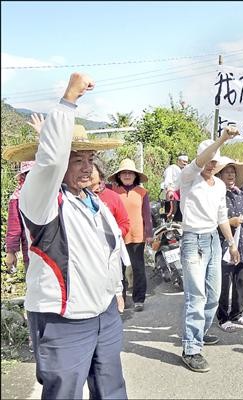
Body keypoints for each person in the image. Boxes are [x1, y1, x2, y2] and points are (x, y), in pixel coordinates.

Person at [1, 72, 128, 398]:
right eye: (76, 160)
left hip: (105, 316)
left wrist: (115, 291)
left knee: (112, 390)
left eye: (89, 159)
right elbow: (50, 162)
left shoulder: (94, 202)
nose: (87, 167)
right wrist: (68, 99)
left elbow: (108, 252)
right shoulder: (42, 200)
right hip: (65, 321)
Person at [178, 128, 240, 373]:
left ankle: (198, 334)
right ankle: (191, 348)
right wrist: (223, 139)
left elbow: (221, 216)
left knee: (213, 295)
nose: (211, 164)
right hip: (193, 240)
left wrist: (232, 243)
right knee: (197, 296)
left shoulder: (219, 186)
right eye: (208, 159)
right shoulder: (188, 177)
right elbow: (200, 161)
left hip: (213, 239)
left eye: (216, 161)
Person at [215, 158, 243, 332]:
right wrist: (229, 222)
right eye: (227, 172)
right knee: (224, 283)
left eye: (233, 172)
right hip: (224, 246)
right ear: (219, 175)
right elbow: (212, 220)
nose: (231, 175)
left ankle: (237, 314)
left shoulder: (241, 193)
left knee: (242, 280)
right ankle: (223, 317)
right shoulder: (216, 194)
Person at [108, 159, 153, 312]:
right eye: (124, 173)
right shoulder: (113, 192)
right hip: (119, 235)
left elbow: (147, 215)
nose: (127, 175)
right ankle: (121, 300)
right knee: (118, 269)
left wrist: (149, 234)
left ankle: (139, 299)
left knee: (138, 267)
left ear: (135, 176)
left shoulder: (142, 192)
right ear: (119, 176)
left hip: (137, 235)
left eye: (130, 173)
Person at [90, 162, 132, 308]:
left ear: (100, 176)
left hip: (110, 250)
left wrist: (114, 233)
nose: (87, 173)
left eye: (92, 170)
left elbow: (125, 223)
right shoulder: (75, 198)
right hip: (89, 254)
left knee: (116, 281)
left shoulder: (112, 197)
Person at [4, 161, 35, 273]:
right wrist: (11, 252)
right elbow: (14, 228)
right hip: (31, 254)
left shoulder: (52, 195)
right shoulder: (17, 199)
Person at [162, 153, 188, 221]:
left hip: (182, 193)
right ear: (178, 161)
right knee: (172, 211)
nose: (185, 163)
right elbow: (167, 181)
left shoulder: (185, 170)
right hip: (172, 193)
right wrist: (169, 191)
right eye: (183, 161)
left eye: (186, 162)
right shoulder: (171, 168)